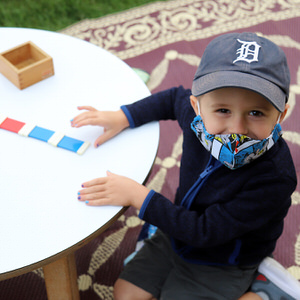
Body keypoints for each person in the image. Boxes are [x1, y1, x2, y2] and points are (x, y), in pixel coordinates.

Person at [71, 32, 297, 299]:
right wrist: (123, 116)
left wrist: (139, 197)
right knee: (124, 293)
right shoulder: (195, 118)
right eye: (223, 110)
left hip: (225, 259)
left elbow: (205, 232)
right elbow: (171, 99)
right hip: (176, 235)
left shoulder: (275, 177)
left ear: (281, 114)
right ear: (197, 106)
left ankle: (264, 292)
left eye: (256, 113)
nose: (236, 130)